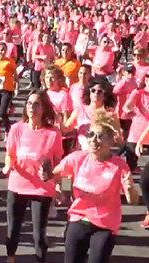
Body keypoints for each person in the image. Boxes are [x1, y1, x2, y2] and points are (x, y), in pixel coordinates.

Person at [53, 111, 139, 263]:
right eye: (90, 134)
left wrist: (130, 187)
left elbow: (133, 200)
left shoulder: (119, 165)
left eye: (100, 136)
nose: (93, 139)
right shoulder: (78, 158)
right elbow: (51, 174)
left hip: (105, 224)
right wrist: (54, 186)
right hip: (79, 218)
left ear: (110, 141)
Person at [3, 90, 63, 263]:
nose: (32, 107)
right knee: (13, 229)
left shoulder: (53, 134)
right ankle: (11, 258)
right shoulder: (16, 129)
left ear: (44, 108)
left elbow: (57, 161)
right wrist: (8, 165)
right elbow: (10, 154)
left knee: (38, 234)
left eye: (36, 104)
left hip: (42, 188)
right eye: (29, 103)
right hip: (18, 185)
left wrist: (58, 185)